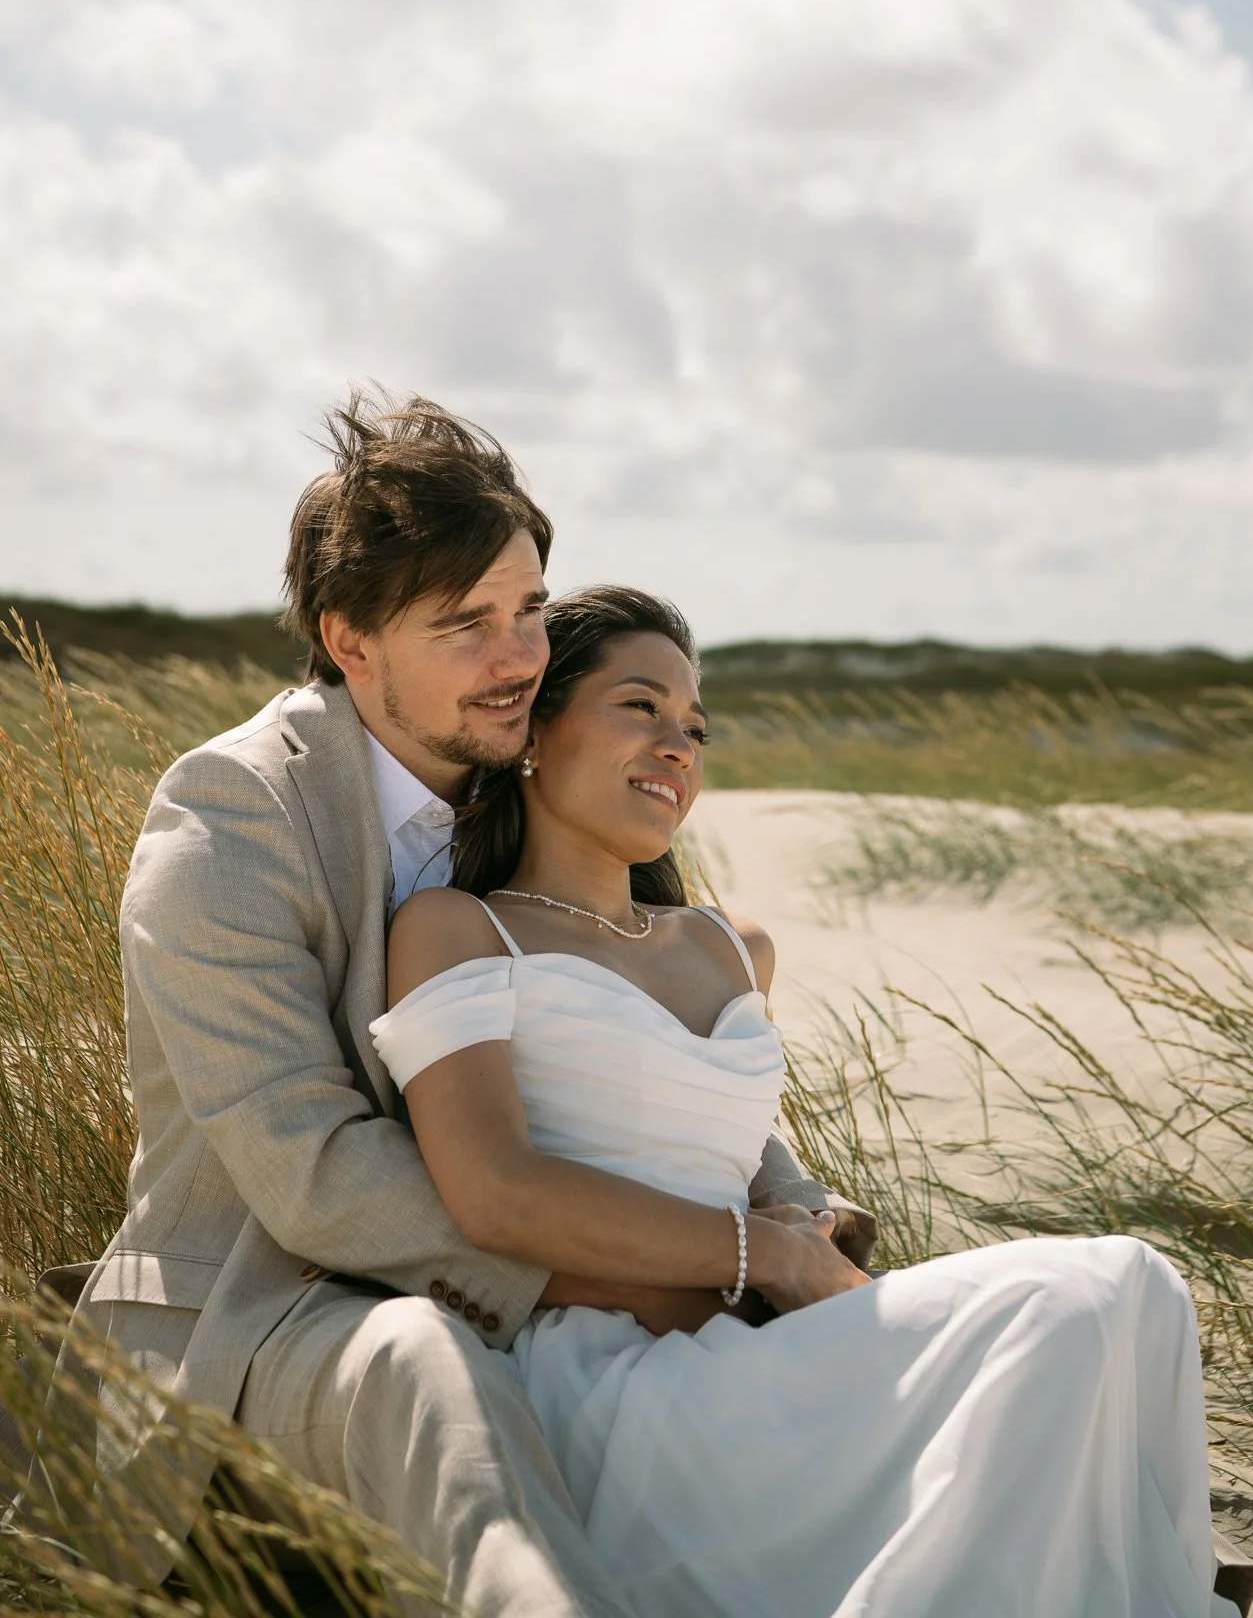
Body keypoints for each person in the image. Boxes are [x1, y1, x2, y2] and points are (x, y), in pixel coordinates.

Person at [34, 394, 866, 1610]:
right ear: (351, 639)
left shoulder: (532, 786)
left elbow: (648, 1040)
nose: (519, 655)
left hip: (583, 1286)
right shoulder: (229, 820)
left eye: (528, 608)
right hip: (274, 1310)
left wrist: (787, 1204)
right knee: (427, 1365)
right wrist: (666, 1273)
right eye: (466, 622)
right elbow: (311, 1169)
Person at [375, 584, 1244, 1618]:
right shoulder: (460, 929)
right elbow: (495, 1193)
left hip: (762, 1337)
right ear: (531, 731)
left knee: (1141, 1297)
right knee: (1089, 1294)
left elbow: (733, 1153)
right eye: (641, 707)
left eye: (695, 727)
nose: (677, 746)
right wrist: (767, 1253)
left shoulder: (731, 947)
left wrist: (808, 1225)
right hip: (614, 1380)